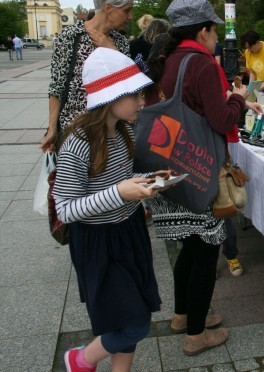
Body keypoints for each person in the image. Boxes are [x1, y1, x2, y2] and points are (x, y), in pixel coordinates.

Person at [144, 0, 248, 355]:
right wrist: (238, 98)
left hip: (169, 163)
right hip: (198, 167)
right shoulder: (201, 64)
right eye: (214, 30)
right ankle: (196, 334)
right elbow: (221, 120)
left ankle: (182, 315)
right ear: (203, 30)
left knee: (188, 246)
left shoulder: (164, 59)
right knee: (205, 248)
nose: (217, 36)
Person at [54, 47, 162, 371]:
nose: (143, 102)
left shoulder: (125, 131)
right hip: (98, 243)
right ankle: (79, 359)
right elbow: (66, 209)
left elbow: (120, 179)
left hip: (129, 232)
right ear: (111, 95)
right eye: (136, 95)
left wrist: (148, 180)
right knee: (134, 323)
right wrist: (120, 193)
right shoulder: (77, 142)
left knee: (124, 318)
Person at [40, 0, 134, 153]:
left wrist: (111, 50)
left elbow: (129, 84)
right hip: (75, 133)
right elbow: (57, 87)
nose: (130, 17)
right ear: (108, 8)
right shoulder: (71, 37)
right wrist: (52, 128)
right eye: (126, 10)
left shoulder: (120, 42)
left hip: (112, 131)